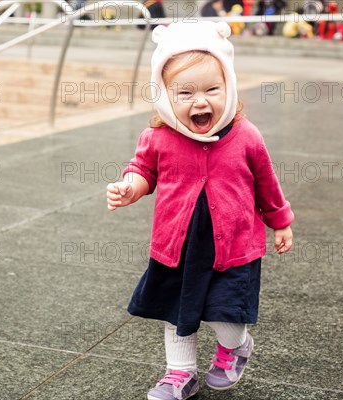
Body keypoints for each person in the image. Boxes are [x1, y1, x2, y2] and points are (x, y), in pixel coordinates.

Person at [106, 21, 294, 400]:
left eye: (212, 89)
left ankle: (236, 345)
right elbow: (143, 170)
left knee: (225, 313)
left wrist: (281, 222)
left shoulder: (246, 136)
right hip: (177, 247)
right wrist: (131, 187)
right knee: (176, 314)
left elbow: (266, 183)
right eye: (185, 92)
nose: (200, 101)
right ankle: (179, 374)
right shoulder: (158, 137)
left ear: (230, 87)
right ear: (164, 95)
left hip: (234, 248)